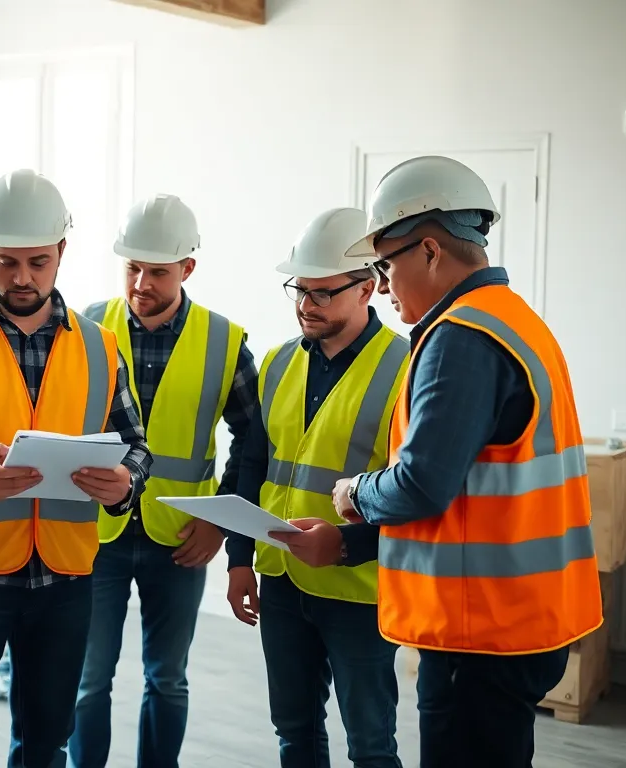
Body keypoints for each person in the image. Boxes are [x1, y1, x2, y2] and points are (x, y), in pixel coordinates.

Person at [286, 156, 603, 768]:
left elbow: (421, 485)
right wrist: (349, 546)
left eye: (385, 265)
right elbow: (465, 500)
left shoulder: (460, 336)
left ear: (429, 252)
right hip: (525, 617)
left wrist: (356, 492)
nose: (382, 286)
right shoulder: (517, 321)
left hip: (481, 630)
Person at [0, 168, 153, 768]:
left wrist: (125, 483)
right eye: (7, 262)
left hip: (65, 581)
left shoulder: (101, 347)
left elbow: (136, 447)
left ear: (61, 252)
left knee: (45, 745)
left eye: (38, 262)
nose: (22, 277)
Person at [73, 194, 256, 768]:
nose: (141, 283)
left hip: (181, 536)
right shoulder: (85, 327)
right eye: (133, 267)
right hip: (94, 531)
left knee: (167, 678)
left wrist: (218, 524)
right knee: (87, 680)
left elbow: (253, 441)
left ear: (187, 268)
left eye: (157, 271)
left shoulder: (224, 341)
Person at [225, 207, 409, 768]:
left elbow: (414, 492)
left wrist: (353, 546)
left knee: (370, 744)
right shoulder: (278, 362)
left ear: (368, 287)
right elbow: (252, 466)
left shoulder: (405, 367)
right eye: (300, 290)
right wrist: (239, 560)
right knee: (294, 731)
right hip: (281, 579)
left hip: (358, 588)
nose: (307, 304)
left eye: (323, 292)